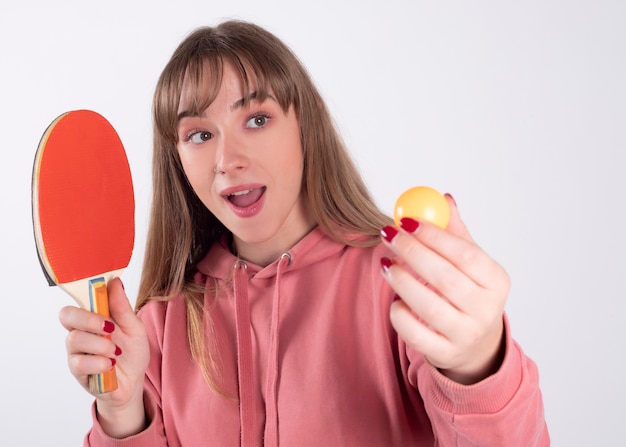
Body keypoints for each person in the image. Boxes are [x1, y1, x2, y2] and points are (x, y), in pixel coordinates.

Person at [59, 20, 549, 446]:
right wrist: (122, 415)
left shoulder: (400, 286)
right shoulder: (158, 326)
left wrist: (478, 364)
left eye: (257, 119)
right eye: (200, 135)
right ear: (178, 158)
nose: (228, 160)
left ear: (305, 122)